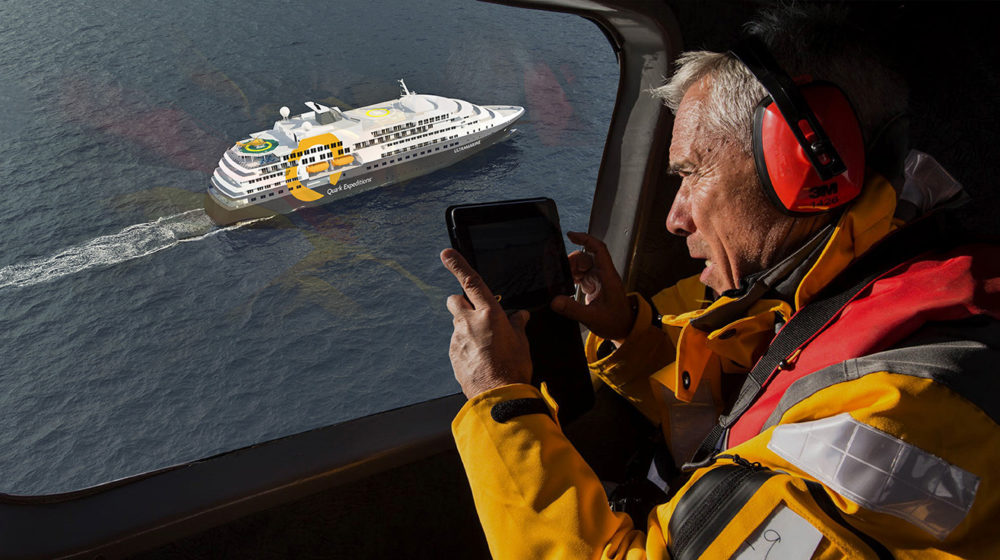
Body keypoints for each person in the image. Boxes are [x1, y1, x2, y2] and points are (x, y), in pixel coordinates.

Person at [442, 6, 1000, 559]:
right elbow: (739, 412)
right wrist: (630, 337)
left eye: (690, 173)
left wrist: (501, 401)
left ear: (798, 163)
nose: (674, 218)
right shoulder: (848, 294)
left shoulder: (891, 412)